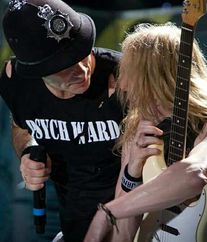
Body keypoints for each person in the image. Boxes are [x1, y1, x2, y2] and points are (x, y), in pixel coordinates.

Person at [84, 23, 207, 242]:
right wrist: (132, 172)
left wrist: (106, 213)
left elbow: (195, 174)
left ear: (154, 78)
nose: (123, 85)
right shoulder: (139, 126)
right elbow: (123, 237)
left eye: (128, 73)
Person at [0, 0, 124, 241]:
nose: (81, 69)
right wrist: (27, 151)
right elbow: (21, 125)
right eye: (63, 65)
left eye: (82, 52)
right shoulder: (16, 84)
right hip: (73, 216)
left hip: (138, 214)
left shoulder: (126, 76)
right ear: (35, 71)